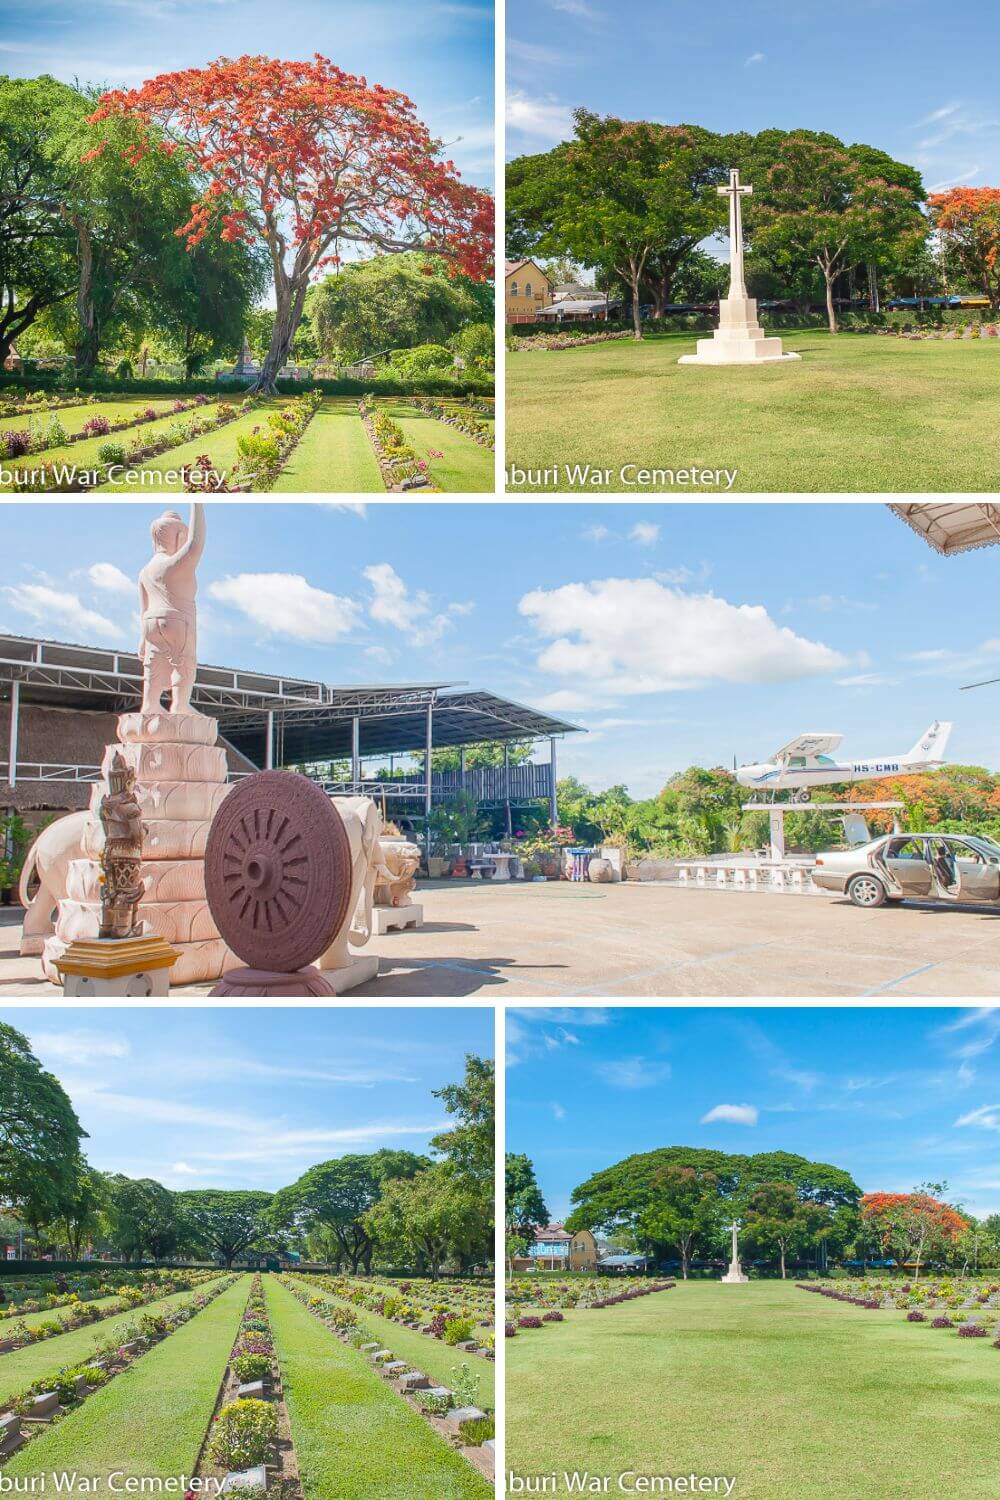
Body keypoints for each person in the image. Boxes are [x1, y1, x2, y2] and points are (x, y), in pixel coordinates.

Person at [137, 502, 206, 715]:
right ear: (179, 536)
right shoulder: (176, 564)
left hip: (150, 624)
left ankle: (150, 703)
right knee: (184, 662)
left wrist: (142, 640)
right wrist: (197, 503)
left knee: (154, 664)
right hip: (177, 620)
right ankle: (180, 704)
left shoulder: (145, 571)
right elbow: (196, 544)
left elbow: (144, 607)